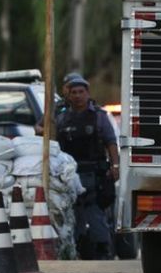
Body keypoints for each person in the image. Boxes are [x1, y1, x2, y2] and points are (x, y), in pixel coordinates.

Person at [46, 73, 119, 260]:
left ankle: (102, 249)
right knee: (71, 211)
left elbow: (111, 142)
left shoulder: (99, 116)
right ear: (68, 95)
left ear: (87, 93)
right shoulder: (61, 116)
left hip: (93, 172)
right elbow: (44, 131)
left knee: (94, 211)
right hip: (68, 173)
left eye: (81, 91)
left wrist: (115, 166)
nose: (77, 95)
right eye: (74, 92)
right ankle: (76, 246)